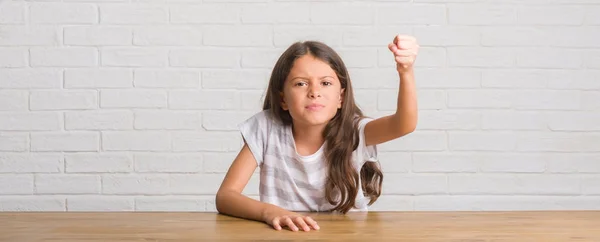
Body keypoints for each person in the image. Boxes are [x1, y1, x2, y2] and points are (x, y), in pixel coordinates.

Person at [215, 34, 419, 232]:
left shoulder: (356, 131)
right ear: (283, 99)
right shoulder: (266, 128)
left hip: (348, 235)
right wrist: (271, 212)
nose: (314, 92)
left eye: (326, 83)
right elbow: (226, 196)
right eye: (300, 83)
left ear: (341, 97)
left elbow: (404, 124)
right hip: (286, 234)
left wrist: (406, 71)